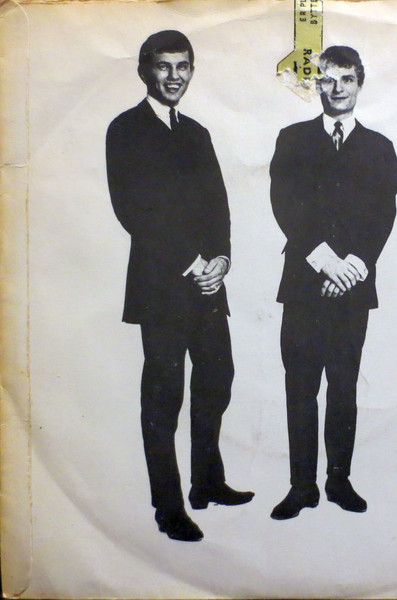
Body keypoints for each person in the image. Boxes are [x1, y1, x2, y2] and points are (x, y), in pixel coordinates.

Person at [106, 30, 253, 542]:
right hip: (161, 289)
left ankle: (207, 482)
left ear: (192, 70)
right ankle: (168, 507)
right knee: (164, 396)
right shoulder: (125, 129)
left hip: (209, 286)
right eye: (164, 66)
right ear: (144, 70)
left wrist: (222, 260)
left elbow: (218, 205)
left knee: (218, 378)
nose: (174, 76)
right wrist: (193, 263)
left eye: (183, 66)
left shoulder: (197, 132)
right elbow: (133, 210)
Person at [269, 46, 397, 520]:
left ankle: (339, 481)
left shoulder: (380, 147)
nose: (337, 88)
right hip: (304, 282)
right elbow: (285, 204)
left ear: (360, 83)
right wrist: (325, 262)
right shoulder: (293, 139)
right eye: (328, 79)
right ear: (316, 84)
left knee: (344, 386)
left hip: (354, 287)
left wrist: (354, 266)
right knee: (301, 387)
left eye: (347, 79)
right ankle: (301, 486)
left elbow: (383, 212)